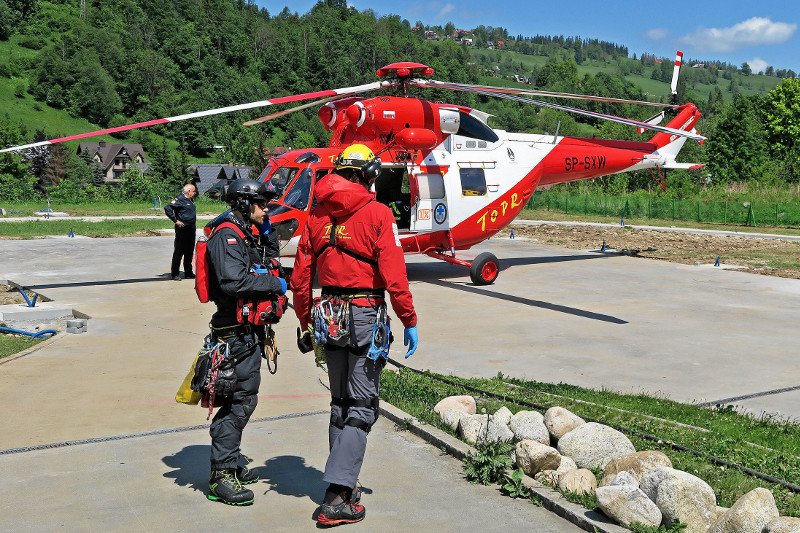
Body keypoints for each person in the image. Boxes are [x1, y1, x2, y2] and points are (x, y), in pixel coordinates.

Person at [291, 143, 419, 527]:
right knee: (362, 408)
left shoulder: (315, 216)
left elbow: (300, 278)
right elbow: (395, 274)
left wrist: (305, 321)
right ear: (367, 175)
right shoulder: (378, 213)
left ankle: (345, 481)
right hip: (365, 315)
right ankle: (336, 498)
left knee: (340, 402)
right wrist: (408, 318)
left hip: (327, 315)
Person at [204, 178, 287, 506]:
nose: (266, 208)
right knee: (239, 401)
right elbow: (233, 281)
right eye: (261, 203)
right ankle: (221, 474)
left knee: (242, 397)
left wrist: (269, 238)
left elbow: (261, 264)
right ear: (242, 204)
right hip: (233, 332)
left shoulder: (251, 231)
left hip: (247, 332)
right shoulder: (227, 234)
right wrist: (275, 283)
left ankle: (230, 461)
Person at [164, 183, 198, 281]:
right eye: (194, 191)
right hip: (182, 230)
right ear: (188, 191)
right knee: (179, 251)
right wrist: (176, 221)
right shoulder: (179, 199)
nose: (195, 193)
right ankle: (175, 273)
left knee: (189, 252)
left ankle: (188, 272)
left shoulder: (190, 200)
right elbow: (168, 208)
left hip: (191, 230)